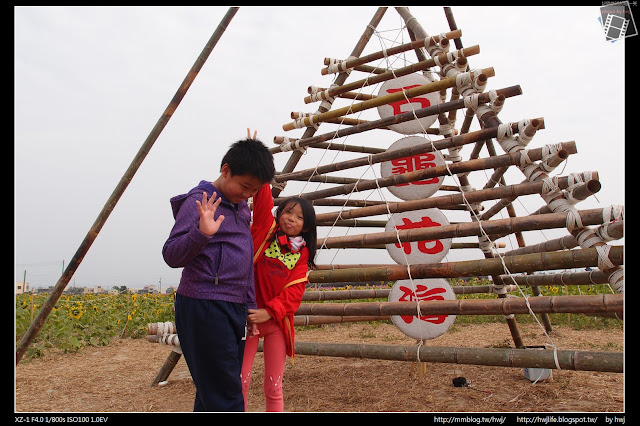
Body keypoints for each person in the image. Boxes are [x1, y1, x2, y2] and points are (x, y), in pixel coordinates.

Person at [162, 131, 275, 412]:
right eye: (245, 186)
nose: (247, 195)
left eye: (254, 191)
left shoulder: (240, 206)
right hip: (204, 304)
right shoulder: (199, 202)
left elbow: (245, 256)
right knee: (226, 397)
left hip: (232, 308)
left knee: (213, 393)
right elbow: (171, 254)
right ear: (225, 170)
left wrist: (248, 307)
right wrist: (202, 233)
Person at [241, 167, 317, 412]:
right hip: (247, 318)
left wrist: (269, 312)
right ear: (278, 213)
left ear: (306, 227)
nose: (291, 218)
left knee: (273, 385)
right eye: (287, 212)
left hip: (276, 323)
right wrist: (260, 167)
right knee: (239, 380)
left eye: (299, 217)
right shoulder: (264, 231)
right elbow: (262, 200)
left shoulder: (302, 257)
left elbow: (292, 296)